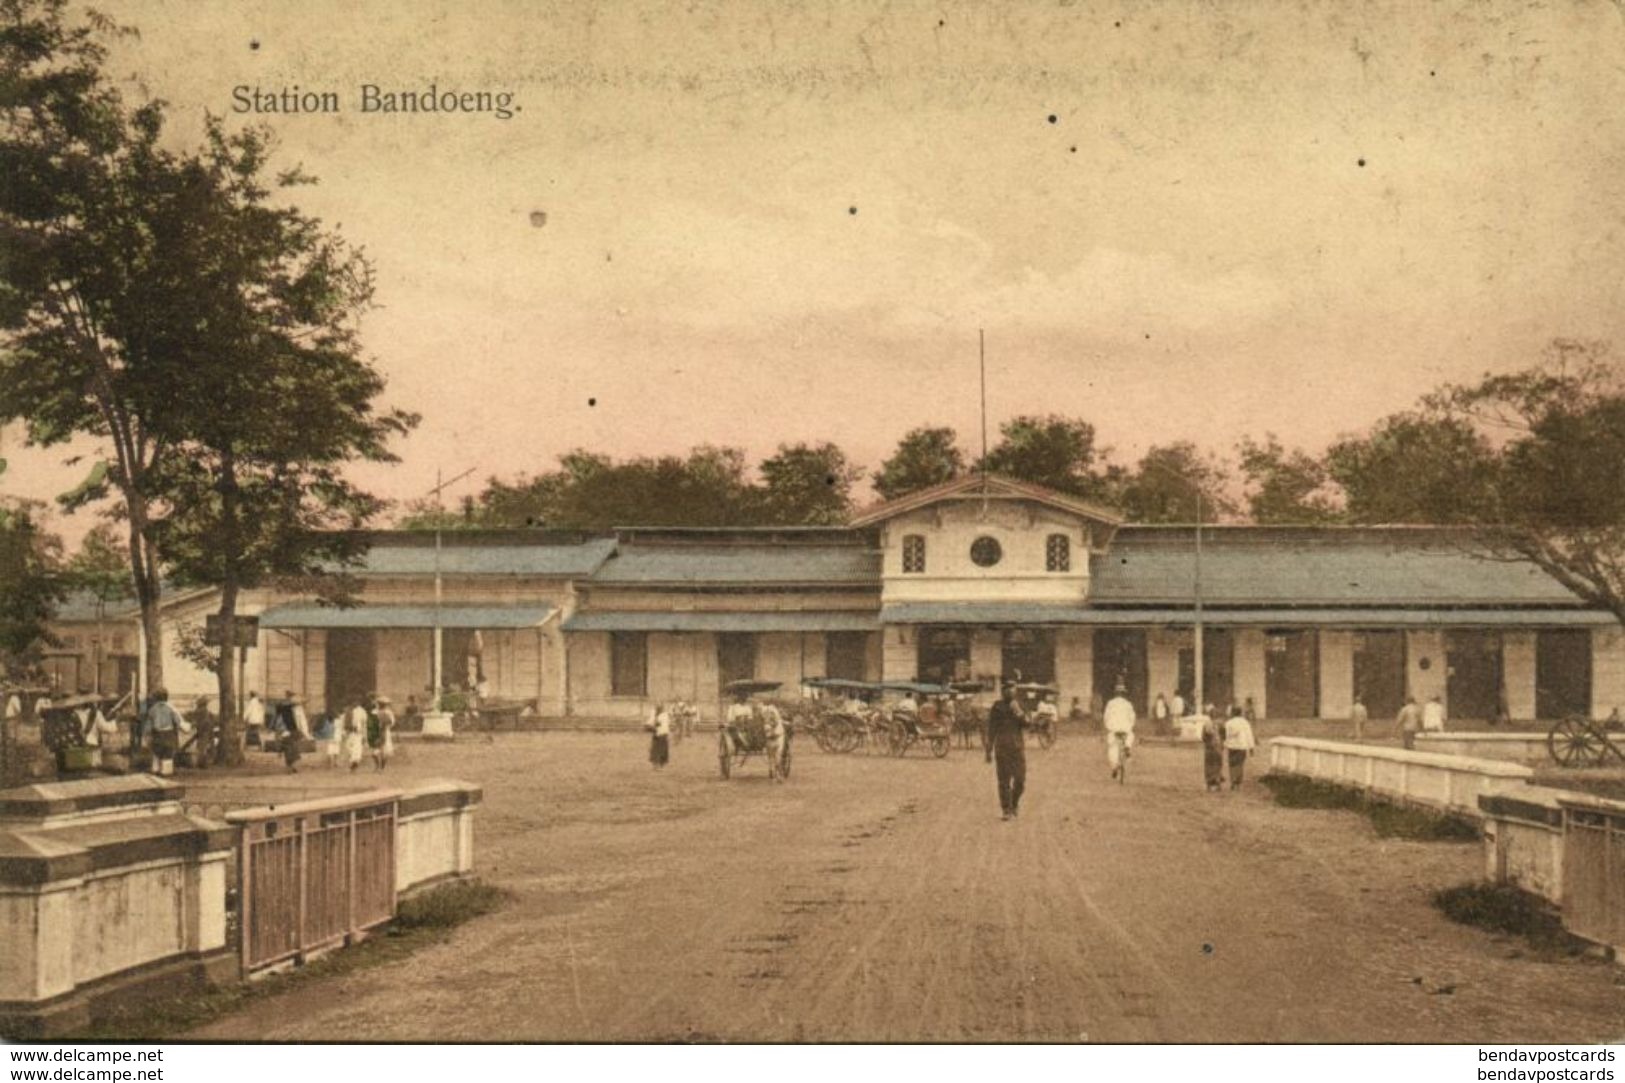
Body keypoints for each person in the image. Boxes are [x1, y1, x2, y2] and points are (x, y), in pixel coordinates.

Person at [985, 682, 1027, 820]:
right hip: (1002, 748)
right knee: (1004, 781)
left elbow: (1028, 724)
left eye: (1012, 689)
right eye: (1006, 690)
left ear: (1015, 691)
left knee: (1020, 780)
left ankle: (1014, 803)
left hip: (1017, 748)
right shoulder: (997, 707)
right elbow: (991, 729)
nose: (1010, 692)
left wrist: (1019, 712)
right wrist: (988, 749)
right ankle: (1006, 809)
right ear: (1002, 692)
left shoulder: (1020, 705)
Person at [141, 689, 183, 777]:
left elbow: (148, 725)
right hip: (168, 734)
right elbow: (177, 721)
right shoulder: (171, 708)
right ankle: (166, 772)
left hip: (157, 734)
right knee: (168, 753)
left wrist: (146, 735)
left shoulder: (152, 709)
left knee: (156, 753)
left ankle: (155, 771)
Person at [1102, 684, 1136, 780]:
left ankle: (1114, 767)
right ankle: (1127, 747)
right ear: (1124, 693)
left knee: (1112, 747)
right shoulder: (1128, 704)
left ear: (1115, 693)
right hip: (1125, 728)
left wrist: (1108, 726)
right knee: (1130, 735)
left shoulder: (1110, 703)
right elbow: (1132, 717)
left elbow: (1106, 717)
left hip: (1114, 729)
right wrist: (1130, 725)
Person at [1223, 705, 1257, 790]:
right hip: (1242, 746)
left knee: (1232, 764)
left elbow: (1225, 735)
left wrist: (1223, 744)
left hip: (1232, 746)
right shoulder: (1245, 722)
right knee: (1240, 764)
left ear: (1233, 713)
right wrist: (1251, 747)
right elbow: (1249, 735)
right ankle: (1238, 782)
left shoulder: (1229, 723)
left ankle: (1233, 781)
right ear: (1240, 713)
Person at [273, 694, 303, 773]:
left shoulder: (283, 715)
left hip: (287, 736)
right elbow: (279, 728)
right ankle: (290, 767)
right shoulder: (284, 715)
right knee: (291, 752)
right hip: (286, 736)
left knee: (290, 752)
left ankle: (291, 767)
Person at [1200, 711, 1225, 792]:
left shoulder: (1206, 725)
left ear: (1209, 716)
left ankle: (1209, 785)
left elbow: (1203, 737)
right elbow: (1224, 735)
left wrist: (1207, 742)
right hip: (1218, 747)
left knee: (1208, 765)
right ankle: (1218, 784)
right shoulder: (1221, 724)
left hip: (1209, 747)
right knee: (1218, 765)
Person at [371, 695, 397, 770]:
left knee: (385, 751)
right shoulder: (374, 712)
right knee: (375, 751)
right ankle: (377, 765)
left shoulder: (388, 712)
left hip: (385, 731)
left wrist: (386, 724)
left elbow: (392, 722)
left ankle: (382, 767)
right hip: (376, 732)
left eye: (383, 704)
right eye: (380, 703)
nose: (382, 705)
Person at [343, 700, 368, 772]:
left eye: (356, 702)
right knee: (348, 747)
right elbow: (346, 722)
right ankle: (354, 761)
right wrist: (345, 731)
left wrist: (364, 734)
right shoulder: (349, 710)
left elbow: (364, 723)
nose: (354, 703)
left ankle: (354, 764)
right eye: (353, 702)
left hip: (358, 732)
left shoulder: (362, 711)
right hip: (350, 732)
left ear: (359, 703)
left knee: (357, 748)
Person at [647, 702, 671, 769]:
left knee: (662, 750)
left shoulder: (664, 715)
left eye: (659, 708)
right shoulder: (654, 714)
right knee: (655, 749)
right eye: (657, 708)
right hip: (656, 734)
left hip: (662, 733)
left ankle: (661, 764)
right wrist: (650, 726)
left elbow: (661, 724)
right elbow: (650, 723)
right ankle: (655, 764)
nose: (658, 709)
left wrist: (653, 725)